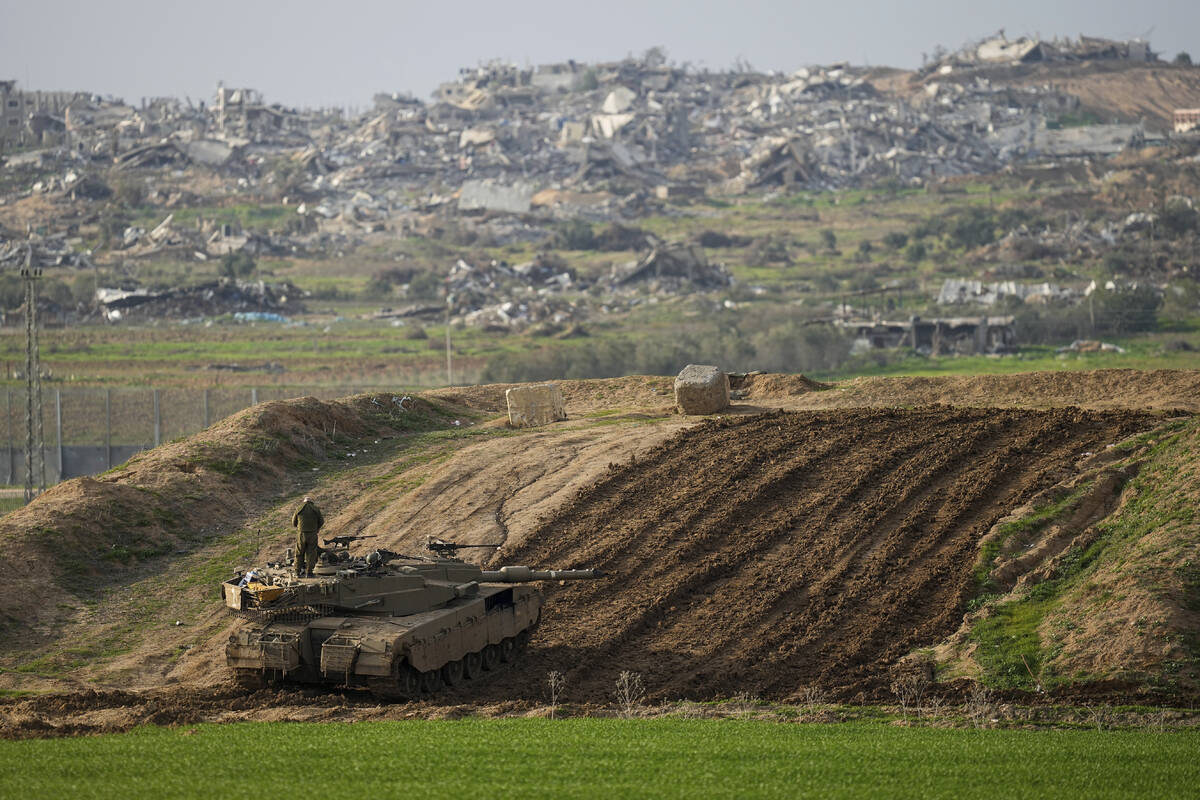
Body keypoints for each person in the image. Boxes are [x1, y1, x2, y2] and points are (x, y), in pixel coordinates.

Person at [291, 496, 324, 577]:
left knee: (299, 553)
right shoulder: (316, 509)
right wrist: (317, 528)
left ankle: (297, 572)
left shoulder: (299, 509)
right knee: (311, 553)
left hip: (301, 534)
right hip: (312, 534)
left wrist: (300, 528)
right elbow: (321, 521)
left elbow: (293, 522)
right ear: (311, 502)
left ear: (304, 501)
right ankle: (309, 573)